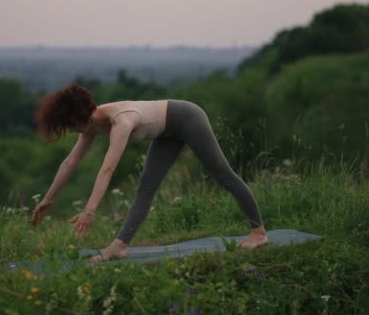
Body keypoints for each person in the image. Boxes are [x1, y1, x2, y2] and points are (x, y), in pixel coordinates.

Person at [30, 83, 268, 263]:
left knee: (223, 175)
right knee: (145, 188)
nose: (71, 131)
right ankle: (119, 246)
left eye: (70, 126)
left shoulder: (121, 122)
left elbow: (108, 168)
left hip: (187, 118)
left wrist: (90, 211)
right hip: (165, 132)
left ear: (79, 119)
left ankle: (258, 232)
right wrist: (47, 199)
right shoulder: (91, 125)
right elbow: (70, 162)